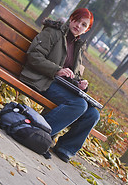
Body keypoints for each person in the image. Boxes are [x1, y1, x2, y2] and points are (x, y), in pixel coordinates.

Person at [20, 8, 100, 162]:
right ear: (71, 19)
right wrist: (57, 70)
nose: (78, 26)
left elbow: (73, 73)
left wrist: (80, 83)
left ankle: (65, 148)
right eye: (77, 20)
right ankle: (37, 135)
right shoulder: (54, 32)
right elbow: (34, 56)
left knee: (93, 114)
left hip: (59, 85)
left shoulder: (78, 45)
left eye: (84, 25)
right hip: (41, 79)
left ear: (86, 30)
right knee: (78, 105)